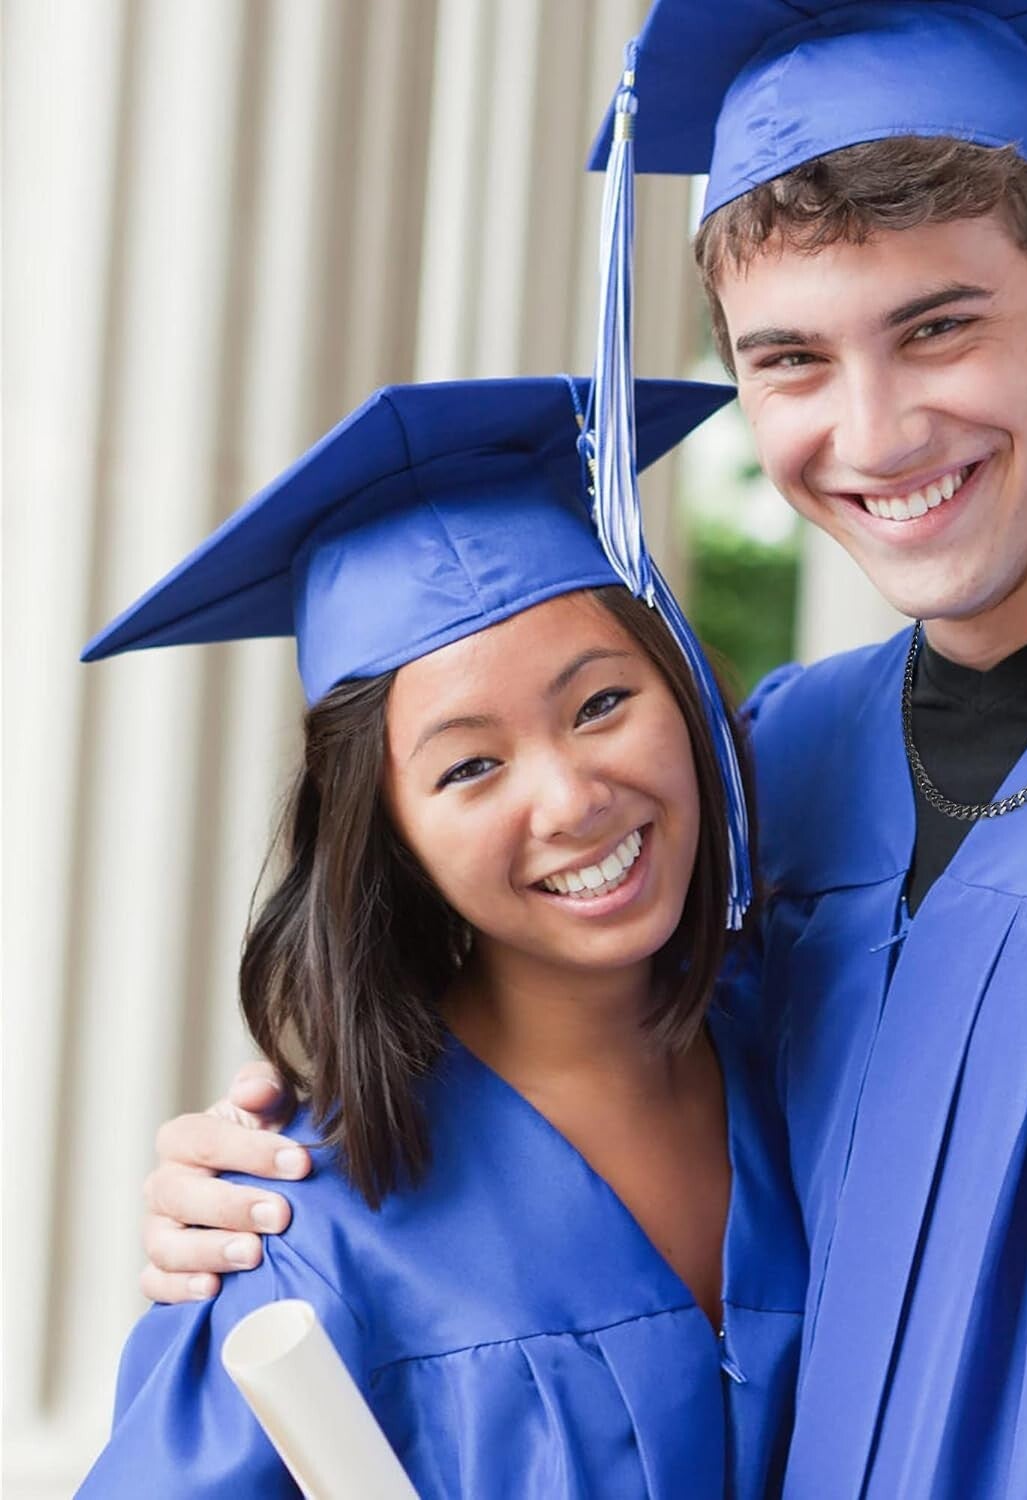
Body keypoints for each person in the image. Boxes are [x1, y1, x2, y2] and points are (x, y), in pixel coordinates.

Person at [141, 4, 1027, 1496]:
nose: (876, 432)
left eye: (939, 326)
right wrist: (260, 1172)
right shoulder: (783, 766)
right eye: (789, 358)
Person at [78, 376, 805, 1498]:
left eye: (602, 702)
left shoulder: (823, 1066)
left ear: (687, 692)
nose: (570, 801)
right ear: (390, 836)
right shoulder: (303, 1240)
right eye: (470, 766)